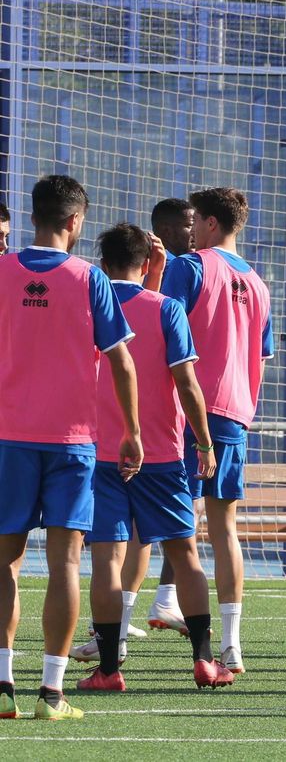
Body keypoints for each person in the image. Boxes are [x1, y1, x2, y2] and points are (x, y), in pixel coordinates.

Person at [0, 175, 140, 720]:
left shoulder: (2, 271)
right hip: (73, 443)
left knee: (5, 565)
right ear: (76, 221)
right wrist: (131, 431)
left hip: (9, 439)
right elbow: (123, 361)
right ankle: (52, 693)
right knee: (64, 565)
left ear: (33, 216)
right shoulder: (89, 278)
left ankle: (3, 683)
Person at [72, 223, 232, 692]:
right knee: (185, 554)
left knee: (106, 558)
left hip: (98, 451)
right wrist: (204, 442)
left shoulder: (86, 307)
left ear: (101, 266)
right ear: (147, 265)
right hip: (160, 452)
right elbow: (188, 384)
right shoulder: (166, 308)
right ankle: (204, 661)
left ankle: (107, 669)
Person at [161, 187, 274, 676]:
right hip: (234, 414)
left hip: (185, 411)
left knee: (154, 525)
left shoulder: (189, 268)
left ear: (207, 223)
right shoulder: (260, 283)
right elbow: (262, 361)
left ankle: (113, 639)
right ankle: (232, 645)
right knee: (225, 528)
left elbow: (160, 327)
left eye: (194, 222)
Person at [137, 197, 197, 638]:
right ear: (168, 228)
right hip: (160, 417)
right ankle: (112, 625)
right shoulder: (175, 271)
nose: (194, 231)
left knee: (178, 516)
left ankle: (160, 601)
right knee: (153, 522)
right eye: (188, 224)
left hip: (168, 414)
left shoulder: (191, 266)